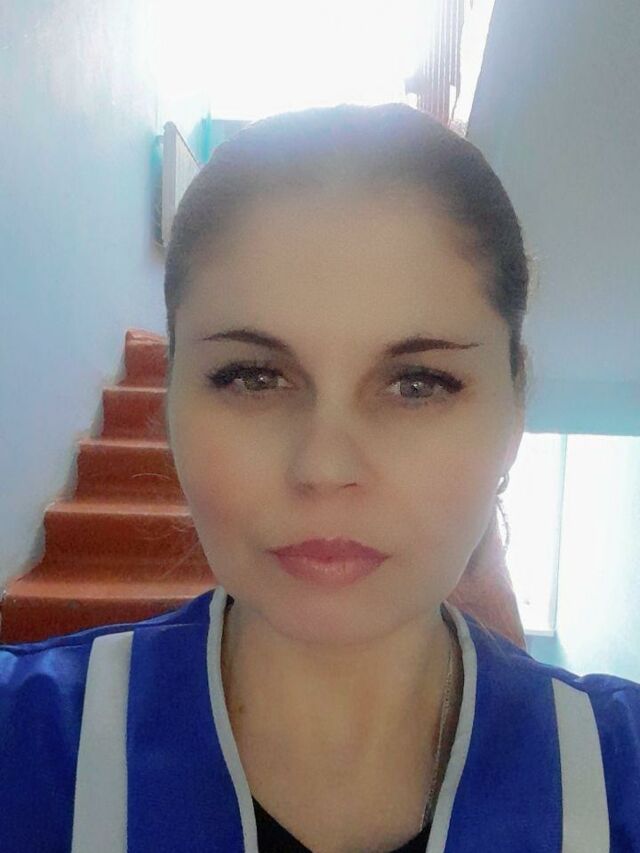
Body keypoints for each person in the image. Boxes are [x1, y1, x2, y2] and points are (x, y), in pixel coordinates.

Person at [1, 102, 639, 853]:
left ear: (514, 410)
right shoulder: (25, 744)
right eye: (253, 376)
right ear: (169, 402)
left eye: (417, 384)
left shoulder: (617, 773)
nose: (325, 468)